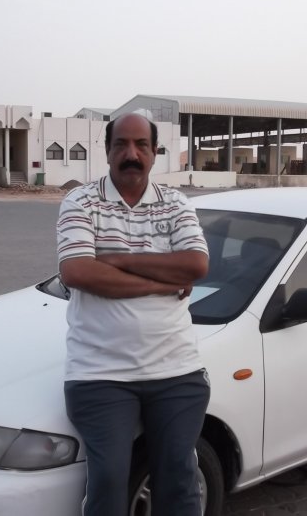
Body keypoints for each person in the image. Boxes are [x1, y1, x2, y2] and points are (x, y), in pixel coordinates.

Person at [56, 112, 211, 516]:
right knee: (108, 480)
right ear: (106, 151)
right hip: (100, 374)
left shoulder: (176, 203)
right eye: (121, 144)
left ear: (154, 153)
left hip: (175, 371)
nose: (131, 154)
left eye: (141, 145)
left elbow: (195, 265)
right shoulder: (80, 201)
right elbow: (77, 272)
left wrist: (117, 259)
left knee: (178, 476)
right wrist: (162, 280)